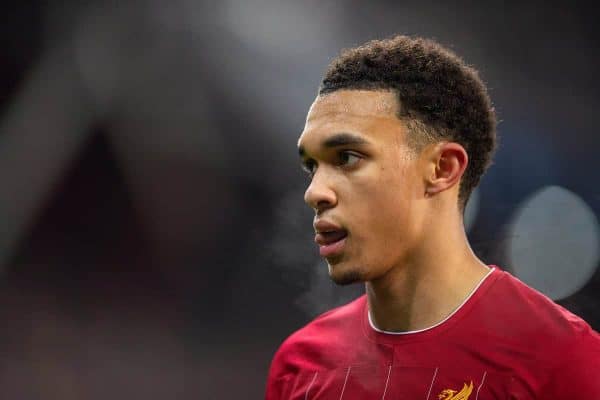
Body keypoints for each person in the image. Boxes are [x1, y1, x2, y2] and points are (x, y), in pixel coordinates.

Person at [265, 35, 600, 399]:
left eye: (347, 157)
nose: (314, 192)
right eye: (311, 166)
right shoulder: (299, 366)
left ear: (442, 169)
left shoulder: (562, 359)